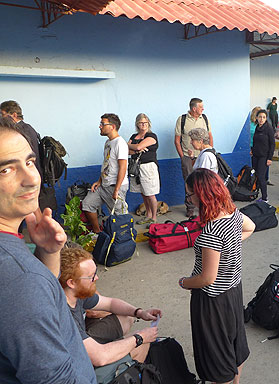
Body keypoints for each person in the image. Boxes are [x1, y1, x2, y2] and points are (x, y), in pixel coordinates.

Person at [0, 123, 96, 383]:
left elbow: (39, 304)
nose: (32, 178)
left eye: (30, 162)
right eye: (6, 169)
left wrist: (48, 254)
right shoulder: (20, 277)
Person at [179, 169, 255, 384]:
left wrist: (184, 282)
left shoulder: (211, 232)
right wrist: (230, 245)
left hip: (213, 300)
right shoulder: (233, 214)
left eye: (190, 194)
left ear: (201, 195)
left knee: (216, 354)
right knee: (234, 342)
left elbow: (207, 278)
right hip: (233, 291)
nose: (189, 199)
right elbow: (251, 227)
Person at [59, 247, 161, 384]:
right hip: (78, 373)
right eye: (91, 276)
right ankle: (127, 374)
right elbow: (100, 357)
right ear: (71, 282)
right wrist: (139, 338)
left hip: (83, 351)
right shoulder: (64, 316)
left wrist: (140, 312)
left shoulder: (73, 294)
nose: (97, 278)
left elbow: (110, 303)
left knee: (126, 319)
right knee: (141, 345)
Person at [1, 100, 57, 214]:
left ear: (14, 115)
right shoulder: (28, 128)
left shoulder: (19, 131)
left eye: (3, 114)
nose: (1, 118)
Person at [83, 113, 129, 233]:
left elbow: (123, 167)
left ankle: (124, 240)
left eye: (103, 124)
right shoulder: (108, 142)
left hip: (115, 186)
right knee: (88, 204)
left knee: (120, 217)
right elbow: (107, 164)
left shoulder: (120, 143)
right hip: (104, 185)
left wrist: (117, 189)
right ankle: (98, 232)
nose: (100, 126)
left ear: (112, 126)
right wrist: (99, 181)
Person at [175, 98, 213, 219]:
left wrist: (210, 149)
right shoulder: (182, 120)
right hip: (188, 157)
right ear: (194, 108)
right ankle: (190, 208)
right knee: (189, 183)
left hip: (203, 155)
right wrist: (183, 157)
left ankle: (204, 206)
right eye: (201, 107)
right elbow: (177, 140)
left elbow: (210, 136)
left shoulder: (205, 119)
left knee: (204, 182)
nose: (203, 109)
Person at [128, 113, 159, 226]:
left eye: (145, 123)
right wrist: (136, 149)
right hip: (136, 167)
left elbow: (137, 146)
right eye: (141, 123)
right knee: (143, 193)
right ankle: (148, 215)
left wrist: (136, 147)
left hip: (148, 167)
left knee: (150, 193)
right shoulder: (133, 136)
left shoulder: (151, 136)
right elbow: (127, 150)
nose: (143, 125)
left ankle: (154, 218)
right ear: (137, 124)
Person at [251, 109, 275, 203]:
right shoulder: (257, 127)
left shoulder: (268, 128)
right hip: (256, 155)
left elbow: (272, 144)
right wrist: (252, 150)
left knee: (261, 176)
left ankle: (265, 198)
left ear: (266, 119)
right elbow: (256, 141)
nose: (261, 119)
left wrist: (270, 158)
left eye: (264, 117)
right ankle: (257, 194)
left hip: (264, 157)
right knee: (256, 175)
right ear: (257, 117)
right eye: (260, 117)